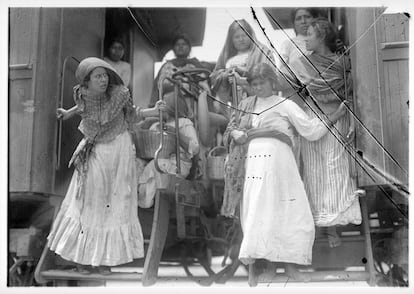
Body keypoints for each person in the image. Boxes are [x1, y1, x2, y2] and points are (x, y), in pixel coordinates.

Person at [222, 63, 348, 281]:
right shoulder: (245, 105)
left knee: (290, 212)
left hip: (281, 164)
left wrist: (336, 116)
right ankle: (269, 268)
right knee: (262, 213)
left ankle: (291, 267)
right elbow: (231, 129)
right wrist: (235, 134)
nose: (259, 87)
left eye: (263, 82)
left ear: (273, 82)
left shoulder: (284, 104)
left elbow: (310, 130)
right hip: (255, 165)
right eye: (254, 84)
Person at [47, 57, 164, 274]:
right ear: (86, 81)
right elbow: (83, 106)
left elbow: (132, 114)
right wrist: (68, 112)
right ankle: (81, 259)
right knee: (89, 200)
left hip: (119, 151)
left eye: (104, 75)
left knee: (114, 202)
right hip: (96, 149)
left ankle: (101, 260)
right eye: (97, 76)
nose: (103, 80)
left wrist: (153, 111)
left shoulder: (119, 94)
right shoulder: (83, 95)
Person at [290, 18, 362, 248]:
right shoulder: (301, 63)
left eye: (309, 34)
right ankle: (317, 224)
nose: (305, 39)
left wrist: (351, 120)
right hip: (314, 119)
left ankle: (333, 227)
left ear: (321, 36)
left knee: (334, 168)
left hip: (338, 119)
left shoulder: (343, 63)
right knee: (313, 172)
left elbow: (351, 96)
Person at [138, 91, 200, 208]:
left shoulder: (184, 123)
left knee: (157, 165)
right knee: (137, 165)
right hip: (161, 161)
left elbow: (195, 148)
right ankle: (138, 202)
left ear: (171, 108)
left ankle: (146, 202)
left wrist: (176, 133)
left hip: (178, 165)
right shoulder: (158, 124)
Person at [210, 19, 274, 115]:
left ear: (250, 35)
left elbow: (269, 74)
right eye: (237, 37)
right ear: (231, 40)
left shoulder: (262, 51)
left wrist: (243, 73)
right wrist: (226, 75)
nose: (241, 39)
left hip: (258, 102)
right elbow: (215, 76)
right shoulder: (227, 56)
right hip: (234, 104)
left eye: (244, 35)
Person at [149, 33, 205, 111]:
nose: (180, 46)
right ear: (173, 48)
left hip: (193, 106)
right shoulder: (166, 66)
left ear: (189, 48)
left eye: (184, 44)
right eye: (177, 44)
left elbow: (204, 87)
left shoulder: (196, 66)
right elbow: (158, 86)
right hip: (168, 106)